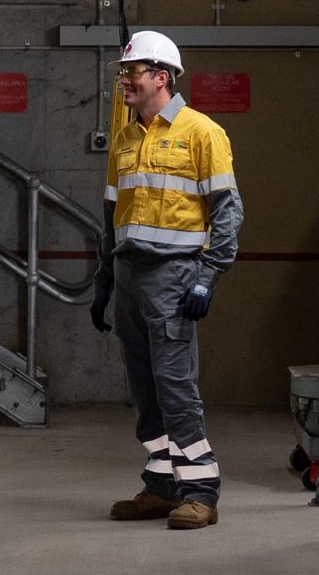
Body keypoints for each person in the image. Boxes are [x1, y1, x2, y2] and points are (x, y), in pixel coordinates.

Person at [90, 31, 243, 530]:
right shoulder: (125, 136)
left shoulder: (202, 133)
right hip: (131, 273)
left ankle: (201, 490)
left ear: (162, 77)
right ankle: (161, 485)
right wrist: (104, 280)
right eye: (122, 72)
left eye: (131, 72)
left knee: (175, 386)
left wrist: (208, 276)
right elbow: (113, 214)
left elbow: (228, 211)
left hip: (174, 277)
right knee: (144, 387)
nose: (123, 80)